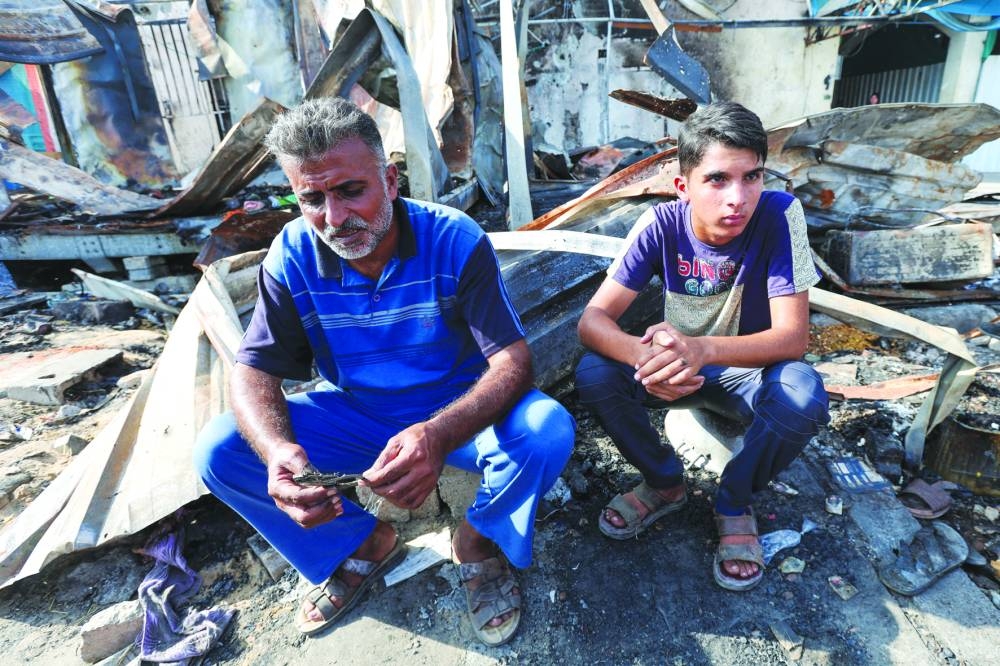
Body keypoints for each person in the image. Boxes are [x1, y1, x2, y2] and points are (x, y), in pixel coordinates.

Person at [193, 97, 574, 645]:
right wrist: (279, 453)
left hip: (459, 411)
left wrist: (437, 434)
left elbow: (513, 362)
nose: (335, 217)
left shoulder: (454, 239)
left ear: (391, 180)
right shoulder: (290, 255)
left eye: (351, 191)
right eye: (312, 198)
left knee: (546, 432)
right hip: (359, 412)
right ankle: (364, 544)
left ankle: (478, 542)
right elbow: (254, 370)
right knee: (220, 449)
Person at [574, 101, 829, 592]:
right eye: (717, 180)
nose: (738, 198)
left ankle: (734, 500)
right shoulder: (661, 225)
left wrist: (702, 351)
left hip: (748, 375)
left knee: (803, 394)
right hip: (680, 373)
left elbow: (792, 339)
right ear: (682, 186)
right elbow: (593, 321)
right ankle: (666, 482)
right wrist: (648, 360)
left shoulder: (779, 216)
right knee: (594, 373)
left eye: (752, 177)